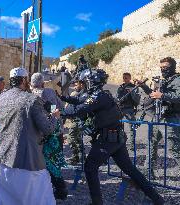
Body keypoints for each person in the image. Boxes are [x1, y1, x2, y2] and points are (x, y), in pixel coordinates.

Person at [60, 69, 164, 205]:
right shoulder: (100, 94)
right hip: (115, 138)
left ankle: (97, 203)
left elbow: (77, 110)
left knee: (90, 167)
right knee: (130, 169)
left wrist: (53, 108)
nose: (83, 85)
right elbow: (79, 99)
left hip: (108, 139)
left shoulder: (98, 97)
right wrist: (62, 97)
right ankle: (157, 198)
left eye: (85, 82)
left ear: (91, 82)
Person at [0, 67, 60, 205]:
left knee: (5, 199)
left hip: (1, 158)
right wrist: (55, 116)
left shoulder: (0, 98)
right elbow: (47, 128)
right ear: (25, 80)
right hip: (26, 161)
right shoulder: (33, 98)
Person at [138, 57, 180, 178]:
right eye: (161, 68)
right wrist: (144, 87)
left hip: (171, 117)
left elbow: (178, 96)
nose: (163, 70)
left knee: (174, 148)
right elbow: (153, 94)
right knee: (151, 143)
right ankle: (148, 170)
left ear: (173, 67)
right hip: (158, 116)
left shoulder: (178, 80)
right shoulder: (164, 80)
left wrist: (163, 95)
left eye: (166, 67)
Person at [30, 72, 68, 200]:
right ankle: (60, 189)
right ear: (42, 82)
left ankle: (57, 188)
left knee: (46, 161)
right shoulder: (51, 92)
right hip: (58, 132)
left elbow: (49, 111)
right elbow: (61, 107)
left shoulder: (35, 94)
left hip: (46, 133)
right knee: (55, 160)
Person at [64, 79, 88, 165]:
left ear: (82, 85)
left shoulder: (81, 94)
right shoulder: (80, 93)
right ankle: (82, 157)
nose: (74, 86)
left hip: (77, 119)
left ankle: (76, 157)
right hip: (76, 119)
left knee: (71, 138)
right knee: (77, 139)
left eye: (76, 84)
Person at [116, 73, 140, 152]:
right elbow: (117, 97)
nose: (124, 79)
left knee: (132, 127)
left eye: (126, 78)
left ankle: (132, 145)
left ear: (129, 78)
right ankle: (119, 142)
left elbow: (137, 99)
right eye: (123, 78)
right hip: (120, 109)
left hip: (129, 109)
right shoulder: (120, 87)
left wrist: (132, 93)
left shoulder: (133, 87)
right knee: (117, 126)